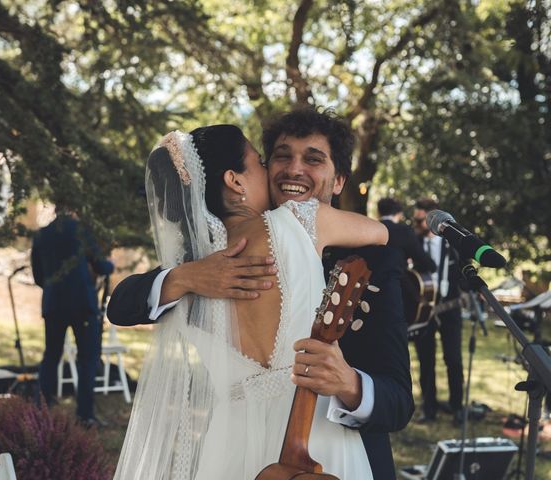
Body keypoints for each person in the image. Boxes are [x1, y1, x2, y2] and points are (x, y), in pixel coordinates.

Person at [109, 109, 414, 479]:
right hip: (251, 445)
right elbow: (123, 304)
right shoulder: (200, 269)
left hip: (268, 446)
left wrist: (350, 384)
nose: (293, 169)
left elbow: (398, 402)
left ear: (338, 181)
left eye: (313, 159)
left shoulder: (376, 265)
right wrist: (183, 277)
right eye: (279, 157)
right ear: (237, 180)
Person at [31, 207, 114, 427]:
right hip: (82, 304)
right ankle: (85, 414)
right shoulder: (82, 231)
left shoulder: (41, 234)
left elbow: (38, 276)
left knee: (51, 356)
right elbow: (102, 266)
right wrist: (109, 263)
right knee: (87, 359)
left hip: (54, 304)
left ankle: (41, 410)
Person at [412, 197, 464, 425]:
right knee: (426, 361)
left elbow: (464, 273)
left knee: (453, 359)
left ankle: (457, 407)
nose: (417, 224)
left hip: (450, 310)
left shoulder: (452, 244)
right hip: (423, 312)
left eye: (421, 220)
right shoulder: (412, 243)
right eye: (416, 219)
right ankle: (429, 408)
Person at [377, 197, 436, 274]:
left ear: (378, 212)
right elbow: (427, 263)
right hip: (393, 282)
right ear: (400, 214)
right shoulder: (404, 231)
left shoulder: (370, 228)